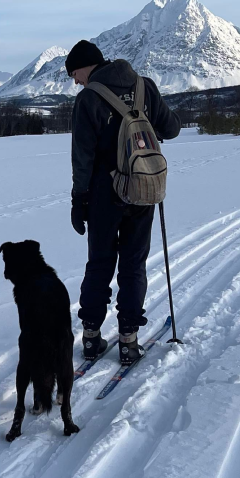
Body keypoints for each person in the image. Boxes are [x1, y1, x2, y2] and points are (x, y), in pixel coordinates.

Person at [66, 39, 182, 364]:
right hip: (143, 189)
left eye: (74, 73)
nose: (75, 80)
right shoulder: (145, 87)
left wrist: (79, 200)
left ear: (87, 66)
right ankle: (129, 341)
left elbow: (82, 158)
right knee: (133, 264)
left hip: (105, 194)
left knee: (100, 263)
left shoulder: (88, 99)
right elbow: (171, 129)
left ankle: (91, 338)